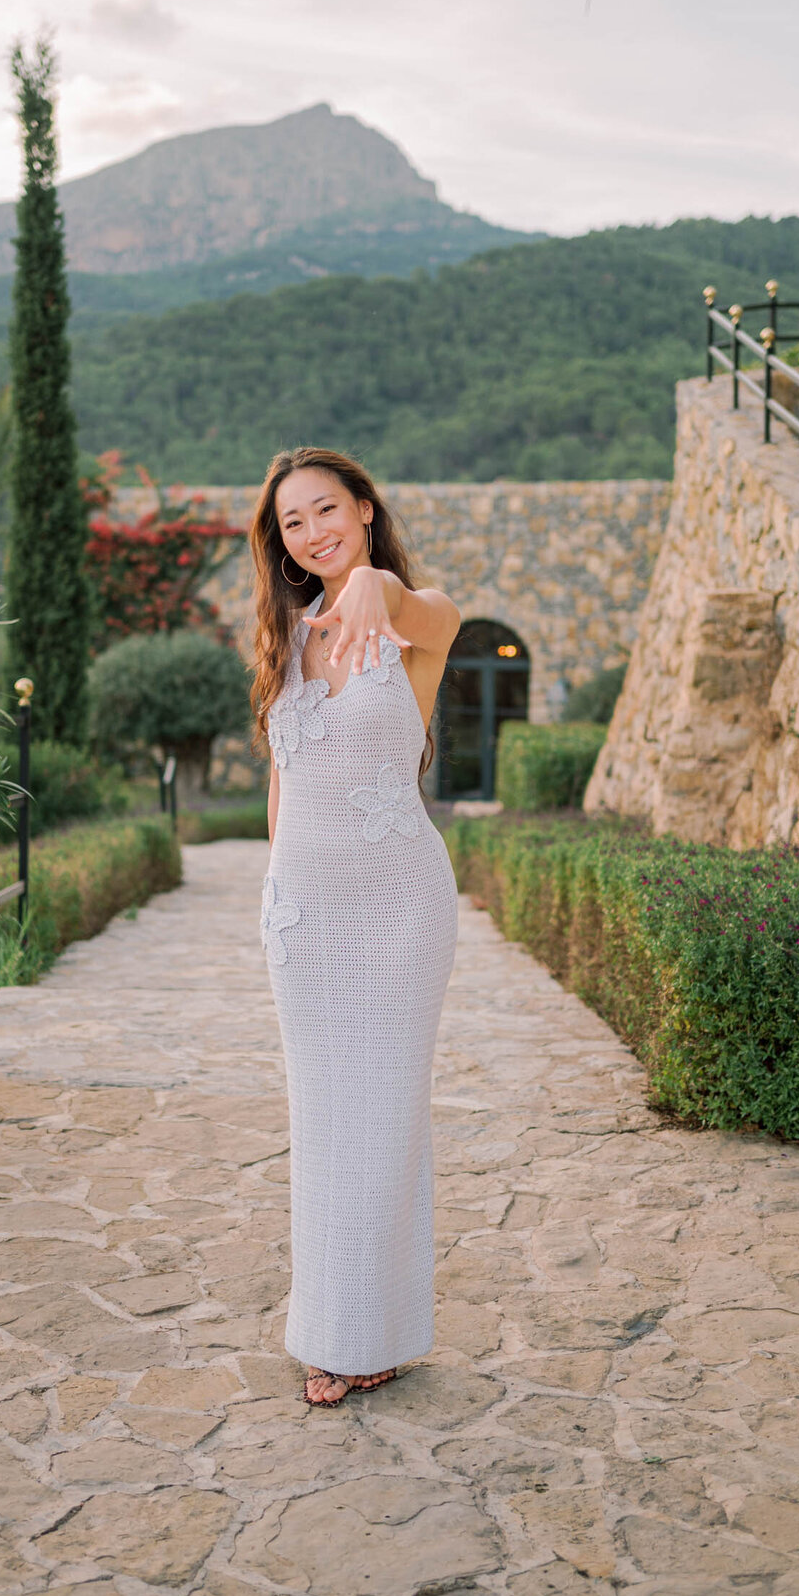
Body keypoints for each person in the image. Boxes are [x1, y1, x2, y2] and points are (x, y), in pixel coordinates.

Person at [249, 446, 461, 1408]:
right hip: (307, 918)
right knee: (322, 1124)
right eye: (292, 523)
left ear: (366, 508)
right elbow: (281, 781)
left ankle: (372, 1334)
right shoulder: (284, 637)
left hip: (397, 909)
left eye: (325, 510)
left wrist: (375, 584)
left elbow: (414, 610)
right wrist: (271, 893)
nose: (311, 532)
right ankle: (329, 1326)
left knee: (381, 1119)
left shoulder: (425, 621)